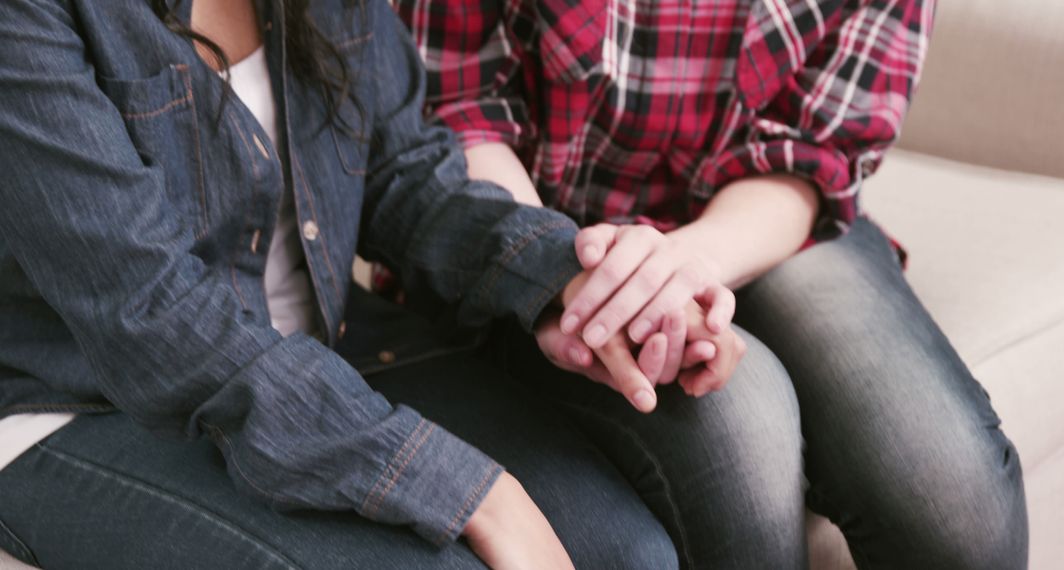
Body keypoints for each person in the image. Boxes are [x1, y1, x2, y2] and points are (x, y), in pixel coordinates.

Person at [0, 0, 743, 568]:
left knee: (627, 555)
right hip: (84, 400)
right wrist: (465, 488)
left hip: (325, 348)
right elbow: (148, 312)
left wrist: (572, 278)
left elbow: (400, 173)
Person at [395, 0, 1031, 567]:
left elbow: (816, 147)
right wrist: (556, 270)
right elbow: (460, 109)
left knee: (954, 499)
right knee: (739, 421)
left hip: (764, 212)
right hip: (537, 224)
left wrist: (679, 266)